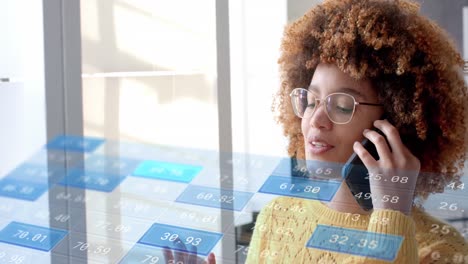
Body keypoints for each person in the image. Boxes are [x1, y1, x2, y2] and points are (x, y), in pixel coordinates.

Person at [246, 0, 468, 263]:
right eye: (311, 100)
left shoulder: (442, 250)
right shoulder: (276, 216)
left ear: (394, 126)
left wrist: (391, 218)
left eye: (341, 106)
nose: (315, 120)